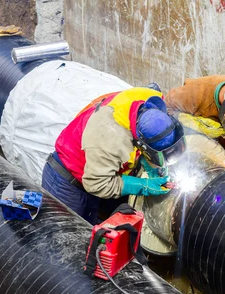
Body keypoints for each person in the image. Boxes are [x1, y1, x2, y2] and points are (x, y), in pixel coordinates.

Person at [42, 87, 185, 224]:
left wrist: (154, 168)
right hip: (67, 181)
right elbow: (97, 183)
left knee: (92, 232)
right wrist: (145, 185)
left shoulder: (150, 99)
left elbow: (146, 138)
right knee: (70, 241)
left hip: (97, 167)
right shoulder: (110, 137)